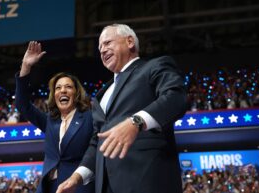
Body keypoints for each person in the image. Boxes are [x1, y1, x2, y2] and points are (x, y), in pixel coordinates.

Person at [57, 24, 187, 193]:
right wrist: (78, 176)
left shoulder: (153, 67)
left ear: (130, 42)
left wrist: (136, 122)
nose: (102, 50)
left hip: (146, 181)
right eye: (100, 47)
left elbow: (176, 97)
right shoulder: (101, 95)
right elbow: (97, 141)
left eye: (108, 43)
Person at [15, 41, 95, 193]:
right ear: (54, 95)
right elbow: (22, 104)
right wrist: (26, 66)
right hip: (49, 188)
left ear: (76, 93)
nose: (63, 90)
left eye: (68, 87)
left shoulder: (89, 118)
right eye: (58, 88)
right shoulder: (50, 121)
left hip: (77, 188)